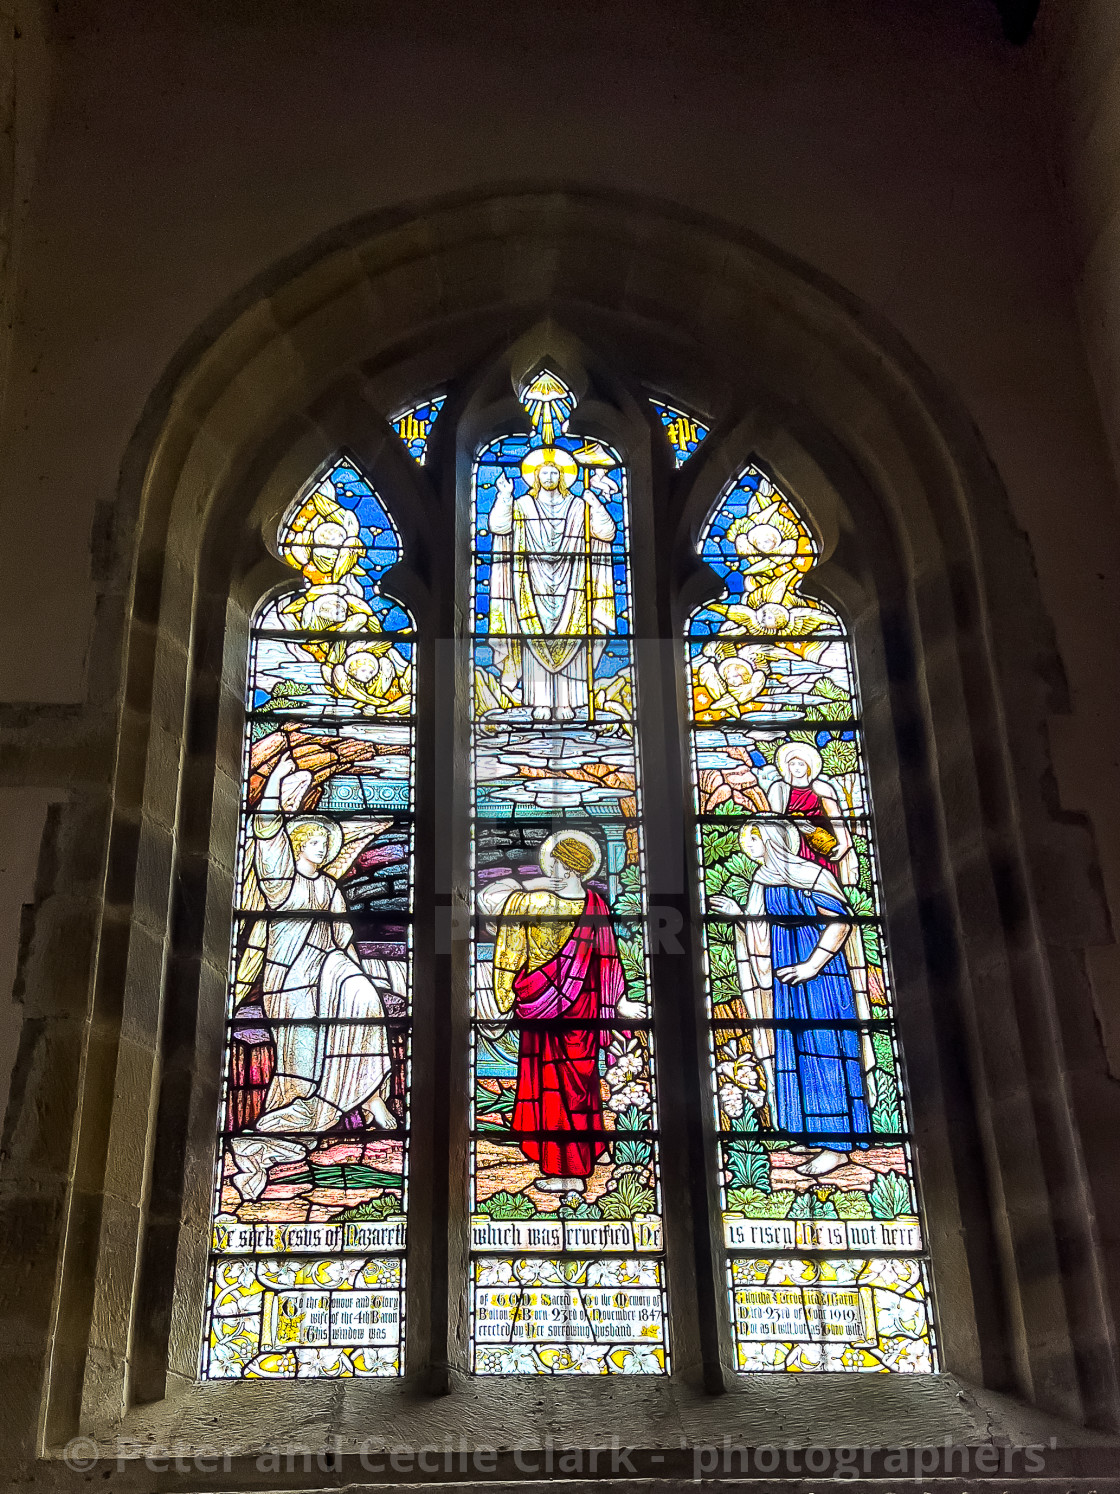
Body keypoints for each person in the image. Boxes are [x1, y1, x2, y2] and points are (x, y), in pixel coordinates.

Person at [229, 751, 400, 1202]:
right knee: (301, 1074)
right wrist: (273, 797)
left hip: (326, 969)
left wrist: (356, 967)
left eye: (328, 844)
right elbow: (265, 838)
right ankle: (284, 1125)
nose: (324, 850)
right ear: (298, 845)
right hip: (290, 984)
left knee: (361, 990)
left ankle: (368, 1092)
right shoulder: (280, 883)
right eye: (315, 843)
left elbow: (342, 936)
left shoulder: (329, 886)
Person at [710, 820, 876, 1177]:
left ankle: (838, 1144)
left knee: (824, 1047)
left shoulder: (811, 875)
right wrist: (739, 916)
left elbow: (841, 923)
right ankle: (813, 1131)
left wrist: (813, 965)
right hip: (787, 976)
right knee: (793, 1046)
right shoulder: (761, 881)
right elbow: (760, 929)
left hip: (820, 976)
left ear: (770, 841)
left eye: (752, 841)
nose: (747, 848)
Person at [483, 831, 645, 1193]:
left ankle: (568, 1172)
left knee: (554, 1086)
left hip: (555, 1008)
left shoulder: (534, 903)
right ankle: (593, 1147)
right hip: (582, 1007)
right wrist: (617, 1001)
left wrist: (506, 994)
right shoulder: (593, 904)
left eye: (555, 862)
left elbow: (509, 943)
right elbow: (608, 962)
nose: (550, 867)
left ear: (567, 867)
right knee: (580, 1083)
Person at [487, 446, 616, 721]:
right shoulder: (522, 504)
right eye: (543, 472)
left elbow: (606, 532)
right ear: (534, 477)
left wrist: (595, 503)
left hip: (574, 584)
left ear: (561, 476)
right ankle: (541, 702)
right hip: (530, 584)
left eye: (553, 471)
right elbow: (499, 527)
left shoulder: (578, 505)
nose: (548, 475)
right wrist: (504, 496)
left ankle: (568, 702)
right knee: (534, 639)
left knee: (573, 639)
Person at [767, 741, 858, 884]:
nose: (796, 768)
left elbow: (835, 816)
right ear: (786, 766)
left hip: (821, 841)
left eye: (801, 764)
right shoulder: (779, 788)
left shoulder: (822, 788)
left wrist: (844, 843)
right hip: (793, 844)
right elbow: (773, 821)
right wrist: (794, 824)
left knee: (825, 880)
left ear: (809, 766)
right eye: (792, 764)